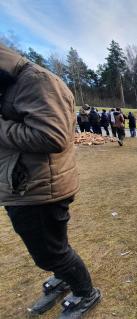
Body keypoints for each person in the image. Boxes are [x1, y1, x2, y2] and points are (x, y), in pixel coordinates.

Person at [0, 43, 101, 318]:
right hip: (25, 184)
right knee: (54, 247)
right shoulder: (12, 83)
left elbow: (51, 136)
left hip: (40, 187)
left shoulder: (37, 81)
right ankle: (64, 277)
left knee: (50, 253)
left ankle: (84, 292)